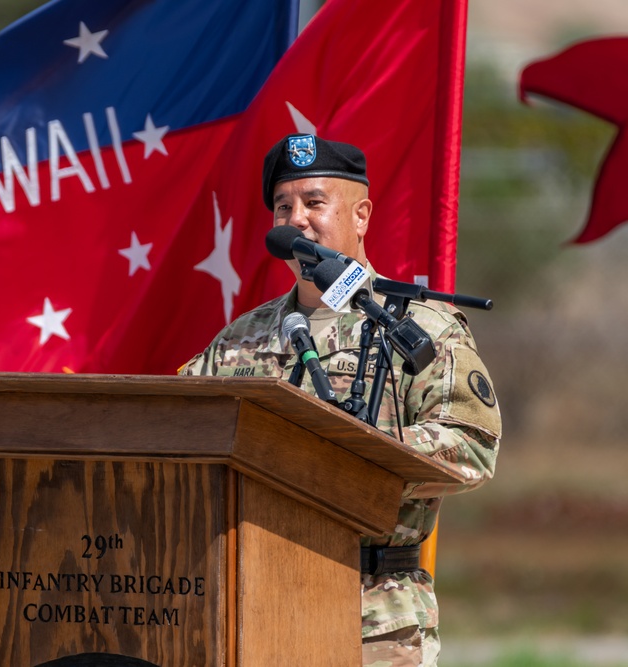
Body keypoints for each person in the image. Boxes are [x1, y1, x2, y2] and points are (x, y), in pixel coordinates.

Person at [179, 134, 502, 666]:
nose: (297, 220)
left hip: (373, 618)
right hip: (250, 607)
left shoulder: (420, 328)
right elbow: (179, 434)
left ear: (361, 217)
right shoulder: (241, 339)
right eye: (283, 207)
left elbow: (471, 448)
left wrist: (351, 454)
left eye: (314, 202)